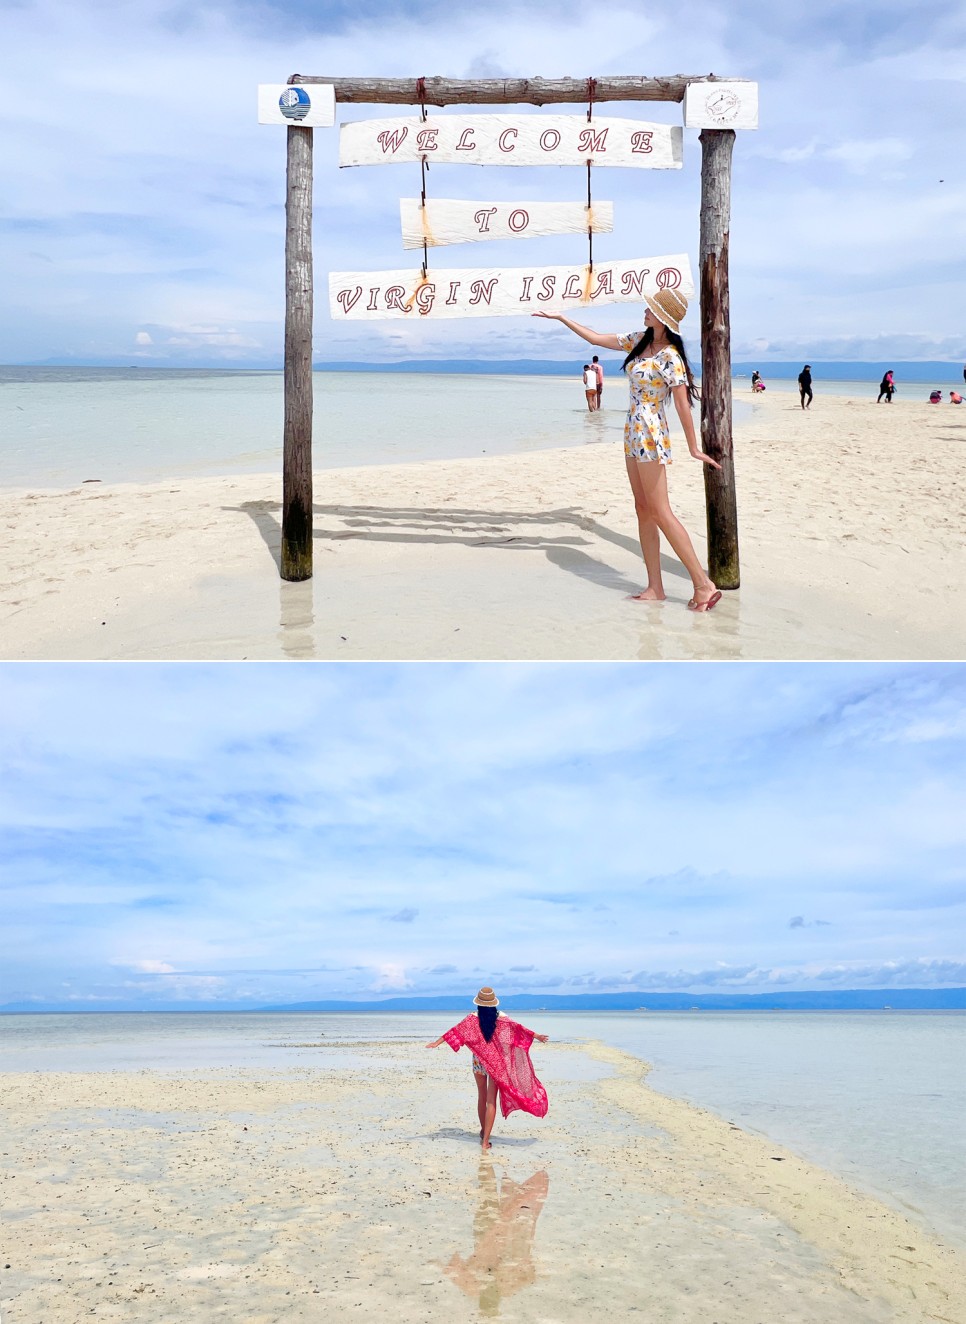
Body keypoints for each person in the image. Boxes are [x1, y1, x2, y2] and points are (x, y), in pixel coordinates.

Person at [532, 289, 723, 611]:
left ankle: (704, 585)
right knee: (642, 508)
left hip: (651, 432)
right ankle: (655, 586)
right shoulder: (638, 340)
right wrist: (562, 317)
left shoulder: (670, 357)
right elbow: (595, 338)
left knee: (661, 510)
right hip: (632, 430)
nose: (645, 313)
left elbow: (681, 404)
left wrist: (693, 447)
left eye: (650, 310)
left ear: (664, 317)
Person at [425, 986, 549, 1150]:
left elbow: (455, 1031)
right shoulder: (501, 1017)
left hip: (478, 1062)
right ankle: (485, 1142)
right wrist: (537, 1036)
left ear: (478, 1003)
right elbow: (518, 1028)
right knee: (491, 1101)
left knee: (481, 1096)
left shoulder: (472, 1018)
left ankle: (484, 1131)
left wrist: (436, 1043)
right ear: (493, 1003)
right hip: (496, 1064)